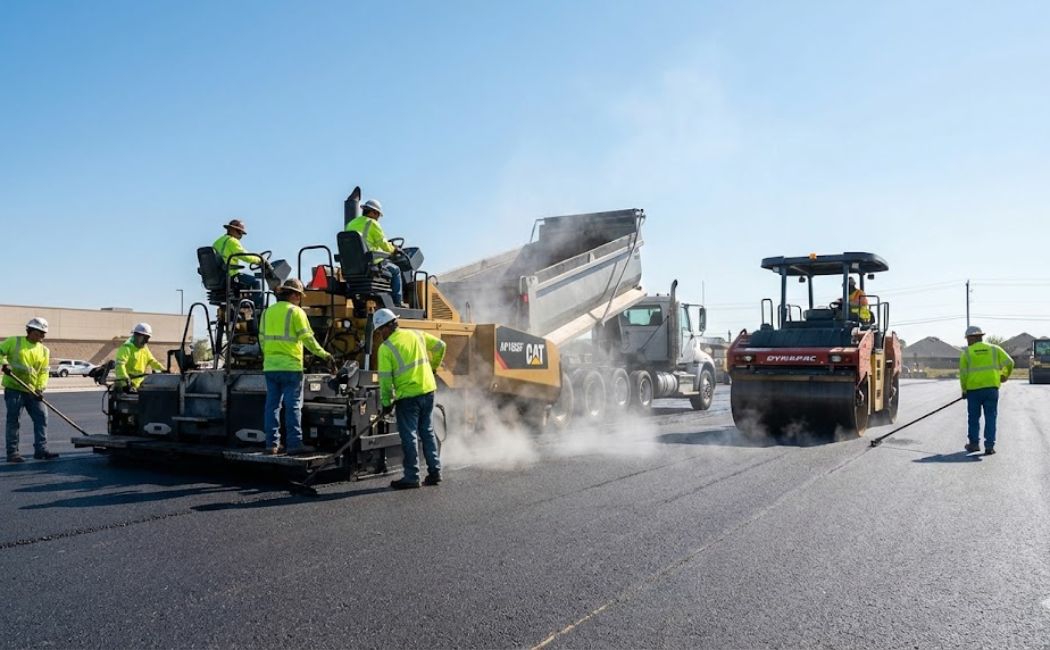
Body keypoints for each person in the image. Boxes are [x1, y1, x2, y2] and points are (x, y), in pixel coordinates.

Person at [259, 279, 334, 455]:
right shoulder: (296, 312)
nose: (300, 299)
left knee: (272, 407)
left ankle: (272, 444)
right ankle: (294, 444)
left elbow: (262, 340)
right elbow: (308, 340)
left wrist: (271, 357)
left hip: (270, 367)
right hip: (291, 367)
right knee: (293, 406)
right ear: (293, 295)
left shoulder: (266, 313)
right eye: (299, 296)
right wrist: (325, 355)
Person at [374, 308, 446, 489]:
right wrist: (433, 368)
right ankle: (435, 472)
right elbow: (440, 346)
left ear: (387, 327)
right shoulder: (416, 334)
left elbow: (385, 380)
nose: (380, 334)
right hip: (428, 391)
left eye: (380, 330)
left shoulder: (386, 348)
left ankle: (412, 476)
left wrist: (386, 403)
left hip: (408, 398)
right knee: (427, 432)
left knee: (409, 436)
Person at [0, 318, 57, 462]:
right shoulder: (14, 341)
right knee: (13, 420)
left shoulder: (44, 350)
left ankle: (41, 450)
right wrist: (4, 363)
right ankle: (12, 453)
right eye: (39, 333)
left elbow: (44, 371)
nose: (41, 337)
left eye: (43, 334)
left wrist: (40, 388)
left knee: (42, 417)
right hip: (14, 388)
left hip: (32, 391)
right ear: (29, 331)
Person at [959, 325, 1014, 455]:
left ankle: (974, 444)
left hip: (973, 391)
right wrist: (1005, 375)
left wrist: (964, 390)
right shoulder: (995, 349)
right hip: (991, 390)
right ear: (980, 337)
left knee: (973, 418)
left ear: (970, 338)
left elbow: (963, 374)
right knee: (991, 417)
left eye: (967, 339)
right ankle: (989, 446)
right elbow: (1010, 362)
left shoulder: (967, 352)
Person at [344, 199, 405, 306]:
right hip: (371, 264)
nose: (378, 218)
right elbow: (384, 244)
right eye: (377, 214)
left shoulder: (351, 224)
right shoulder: (372, 223)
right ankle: (398, 302)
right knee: (396, 270)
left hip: (352, 267)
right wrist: (395, 249)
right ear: (372, 212)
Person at [213, 219, 265, 309]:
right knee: (256, 282)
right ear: (231, 230)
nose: (241, 235)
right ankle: (257, 310)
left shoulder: (217, 242)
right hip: (231, 276)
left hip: (219, 277)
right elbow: (246, 256)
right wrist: (260, 260)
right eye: (239, 232)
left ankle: (243, 305)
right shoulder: (232, 241)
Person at [113, 323, 165, 392]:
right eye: (145, 338)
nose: (147, 341)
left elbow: (152, 361)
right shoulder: (126, 348)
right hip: (125, 387)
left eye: (148, 338)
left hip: (138, 386)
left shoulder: (144, 349)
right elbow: (120, 365)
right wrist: (125, 382)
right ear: (137, 336)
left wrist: (164, 370)